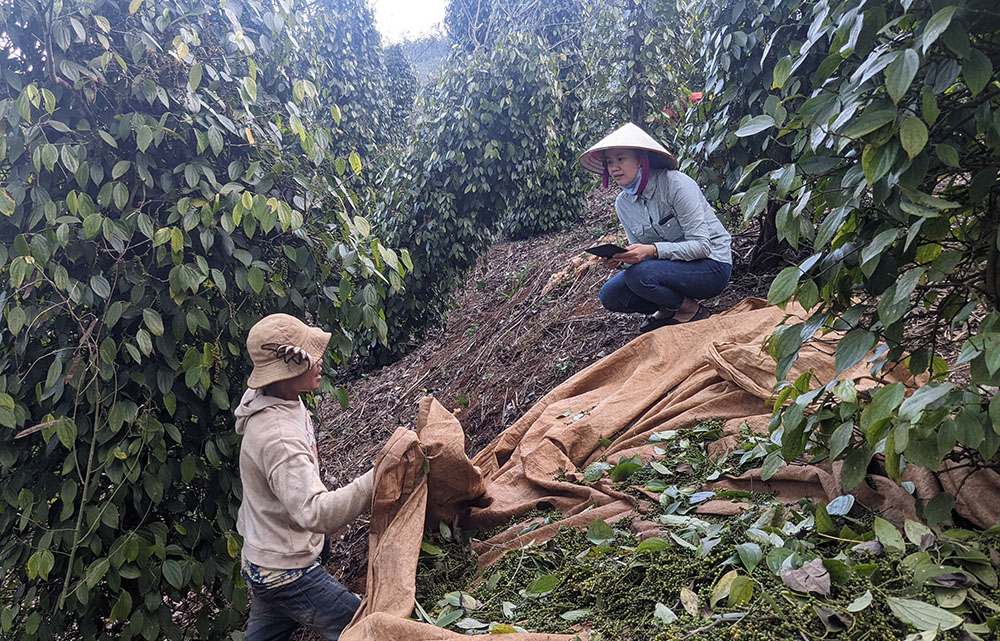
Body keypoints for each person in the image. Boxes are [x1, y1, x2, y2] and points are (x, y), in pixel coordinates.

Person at [235, 313, 374, 641]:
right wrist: (378, 476)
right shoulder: (278, 438)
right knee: (366, 630)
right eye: (310, 356)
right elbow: (315, 512)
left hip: (264, 561)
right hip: (286, 573)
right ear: (286, 370)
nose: (319, 361)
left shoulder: (274, 397)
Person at [579, 123, 733, 333]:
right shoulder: (623, 204)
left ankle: (691, 310)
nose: (614, 168)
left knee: (640, 275)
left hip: (711, 266)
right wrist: (621, 260)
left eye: (621, 159)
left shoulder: (676, 185)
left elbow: (702, 247)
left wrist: (652, 250)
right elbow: (640, 256)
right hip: (669, 268)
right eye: (609, 162)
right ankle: (669, 306)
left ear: (641, 159)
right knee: (611, 295)